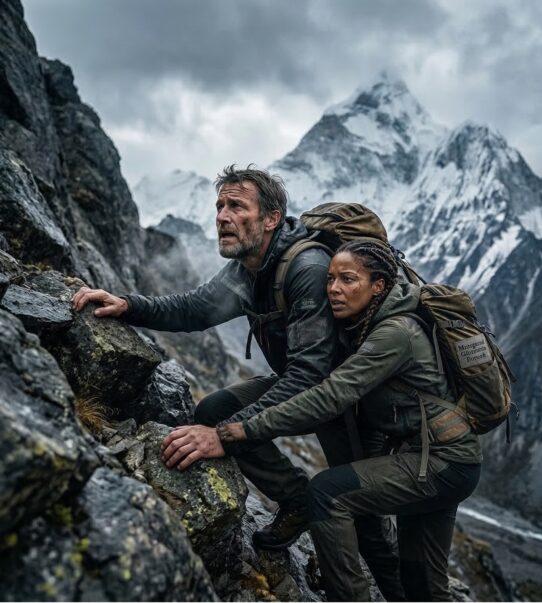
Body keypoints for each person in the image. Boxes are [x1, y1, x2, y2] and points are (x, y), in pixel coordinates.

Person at [70, 165, 404, 600]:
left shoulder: (306, 266)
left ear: (270, 218)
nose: (222, 217)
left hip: (352, 403)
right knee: (213, 410)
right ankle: (296, 499)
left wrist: (225, 439)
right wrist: (127, 305)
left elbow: (310, 375)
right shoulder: (248, 268)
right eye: (220, 206)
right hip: (305, 385)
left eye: (236, 207)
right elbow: (192, 309)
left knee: (368, 527)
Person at [164, 238, 482, 601]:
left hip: (441, 464)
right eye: (330, 278)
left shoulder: (394, 334)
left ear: (378, 286)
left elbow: (332, 395)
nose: (333, 288)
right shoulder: (367, 321)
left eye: (348, 279)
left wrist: (239, 431)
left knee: (328, 494)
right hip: (438, 460)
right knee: (422, 586)